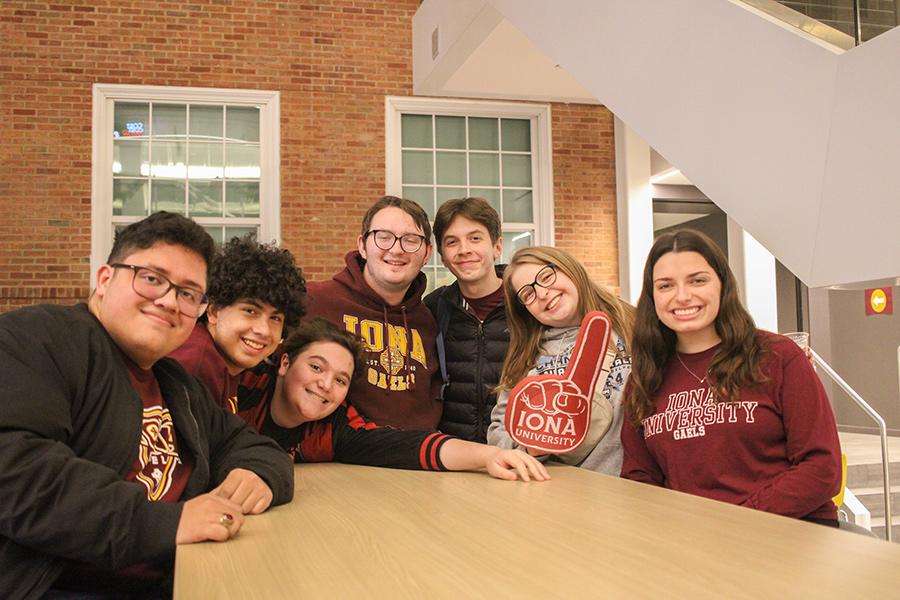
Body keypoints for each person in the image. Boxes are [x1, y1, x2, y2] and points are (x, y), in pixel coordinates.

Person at [0, 212, 293, 597]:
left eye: (188, 293)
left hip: (186, 575)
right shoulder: (38, 338)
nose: (170, 301)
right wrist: (168, 524)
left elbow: (253, 446)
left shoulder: (175, 385)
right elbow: (15, 471)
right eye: (152, 279)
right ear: (105, 279)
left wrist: (259, 476)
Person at [620, 229, 841, 524]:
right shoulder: (646, 378)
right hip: (695, 543)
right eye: (665, 286)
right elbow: (640, 479)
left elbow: (822, 467)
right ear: (652, 297)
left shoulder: (776, 355)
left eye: (698, 280)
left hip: (791, 534)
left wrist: (736, 521)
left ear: (723, 285)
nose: (682, 296)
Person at [235, 317, 549, 481]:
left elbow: (411, 446)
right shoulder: (242, 385)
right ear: (286, 363)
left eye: (341, 380)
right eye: (316, 367)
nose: (325, 384)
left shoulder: (337, 428)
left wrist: (487, 456)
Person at [487, 246, 635, 474]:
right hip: (561, 489)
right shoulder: (526, 357)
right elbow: (499, 434)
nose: (543, 293)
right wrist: (529, 447)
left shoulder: (634, 324)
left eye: (546, 276)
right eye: (528, 294)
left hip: (636, 486)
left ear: (569, 268)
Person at [305, 195, 441, 430]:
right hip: (336, 458)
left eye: (410, 240)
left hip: (417, 459)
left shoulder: (428, 320)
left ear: (427, 252)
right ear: (362, 245)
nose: (396, 249)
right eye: (383, 237)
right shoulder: (315, 301)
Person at [169, 234, 306, 417]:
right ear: (214, 311)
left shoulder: (221, 364)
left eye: (275, 318)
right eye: (250, 311)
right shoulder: (197, 362)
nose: (263, 330)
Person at [424, 197, 507, 443]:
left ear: (497, 246)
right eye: (452, 242)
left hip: (521, 455)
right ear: (442, 255)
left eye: (475, 238)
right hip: (457, 459)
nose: (464, 250)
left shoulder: (528, 304)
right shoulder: (433, 309)